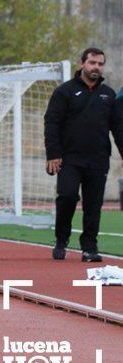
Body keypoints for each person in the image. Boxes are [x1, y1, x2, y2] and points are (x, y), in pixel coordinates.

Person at [44, 47, 123, 262]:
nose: (96, 67)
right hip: (69, 159)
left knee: (93, 205)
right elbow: (52, 123)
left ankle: (89, 248)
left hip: (98, 160)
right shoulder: (64, 92)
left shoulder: (108, 94)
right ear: (82, 64)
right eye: (92, 63)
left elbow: (118, 128)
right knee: (67, 197)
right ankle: (62, 239)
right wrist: (53, 154)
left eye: (100, 64)